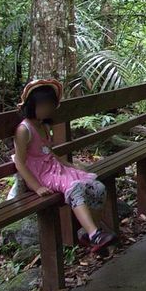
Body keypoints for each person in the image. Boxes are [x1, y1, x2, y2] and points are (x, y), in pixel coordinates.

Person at [13, 78, 116, 253]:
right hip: (41, 175)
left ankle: (88, 232)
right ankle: (95, 235)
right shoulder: (24, 130)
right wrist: (36, 187)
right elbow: (19, 163)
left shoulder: (43, 126)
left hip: (56, 169)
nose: (47, 109)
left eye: (50, 105)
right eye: (42, 105)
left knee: (97, 187)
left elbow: (49, 152)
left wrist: (72, 166)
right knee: (75, 188)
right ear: (32, 105)